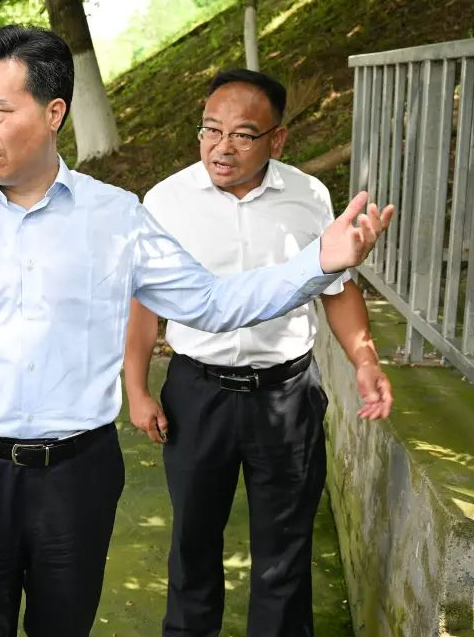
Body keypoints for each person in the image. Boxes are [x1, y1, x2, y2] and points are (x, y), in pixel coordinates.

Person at [0, 26, 394, 637]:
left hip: (77, 476)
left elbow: (211, 302)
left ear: (53, 113)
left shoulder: (116, 217)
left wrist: (318, 262)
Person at [122, 69, 393, 637]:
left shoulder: (308, 197)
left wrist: (365, 359)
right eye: (210, 129)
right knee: (193, 543)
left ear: (277, 139)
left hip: (287, 394)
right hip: (198, 394)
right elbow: (144, 303)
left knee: (284, 553)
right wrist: (137, 388)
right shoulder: (166, 201)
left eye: (243, 134)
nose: (221, 147)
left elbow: (337, 289)